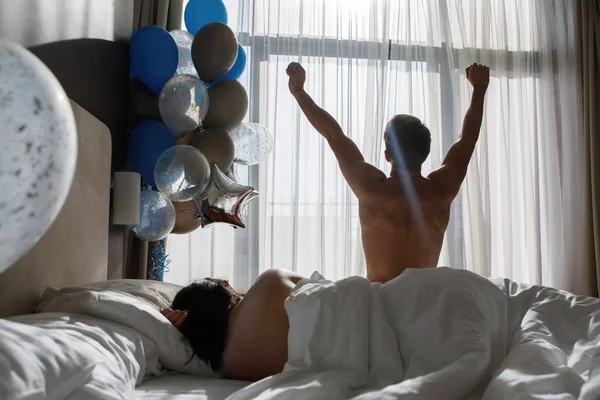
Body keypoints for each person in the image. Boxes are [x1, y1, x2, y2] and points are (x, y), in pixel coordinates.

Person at [162, 62, 490, 382]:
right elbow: (467, 141)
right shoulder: (441, 190)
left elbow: (334, 135)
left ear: (387, 154)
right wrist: (479, 90)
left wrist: (299, 92)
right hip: (427, 303)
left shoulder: (372, 188)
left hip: (381, 305)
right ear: (426, 152)